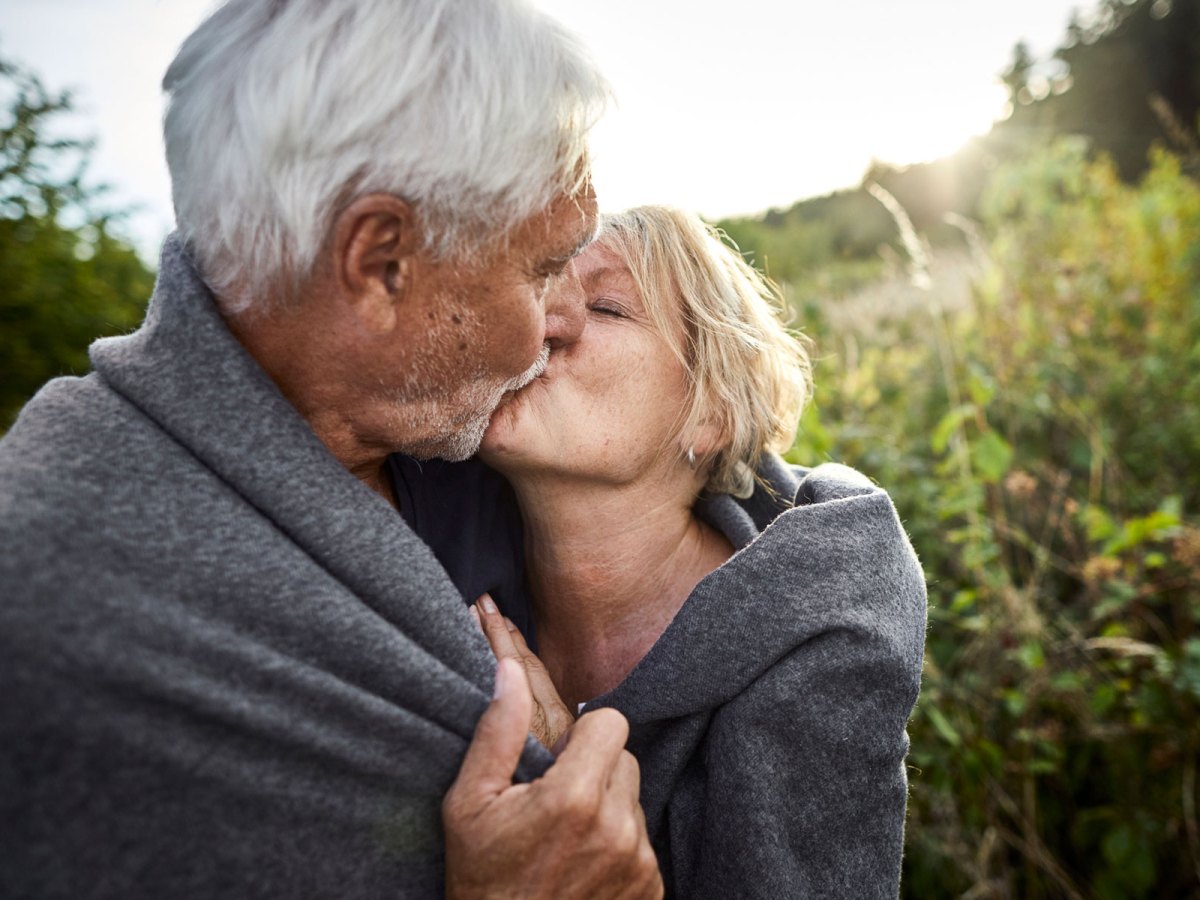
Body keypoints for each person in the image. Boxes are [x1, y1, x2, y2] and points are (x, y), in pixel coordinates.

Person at [0, 1, 662, 897]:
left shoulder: (442, 429)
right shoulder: (49, 612)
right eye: (543, 270)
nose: (567, 321)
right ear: (381, 262)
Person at [400, 206, 928, 897]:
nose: (546, 323)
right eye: (540, 289)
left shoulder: (815, 642)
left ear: (712, 412)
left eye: (608, 308)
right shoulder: (422, 547)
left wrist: (564, 783)